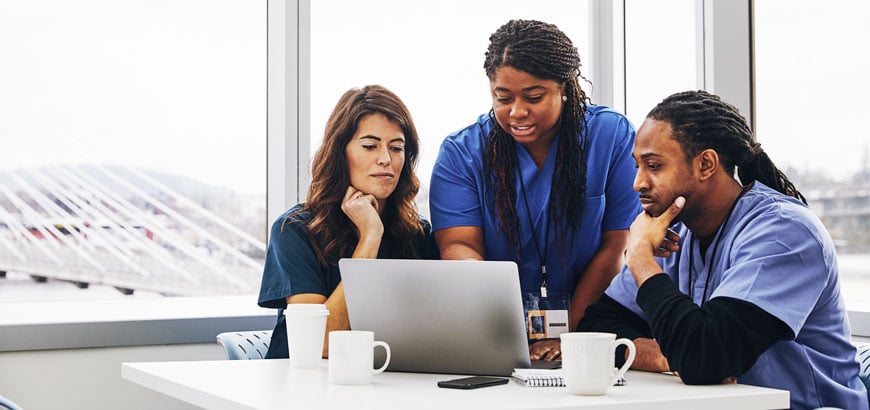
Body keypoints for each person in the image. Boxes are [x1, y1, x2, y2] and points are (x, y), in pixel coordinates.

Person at [577, 90, 868, 409]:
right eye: (637, 167)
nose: (638, 183)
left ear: (705, 164)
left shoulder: (782, 233)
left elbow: (706, 358)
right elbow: (598, 328)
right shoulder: (673, 233)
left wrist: (640, 258)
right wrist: (665, 355)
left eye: (654, 166)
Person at [429, 19, 640, 361]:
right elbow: (459, 246)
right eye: (503, 98)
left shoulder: (611, 136)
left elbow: (616, 246)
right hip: (494, 329)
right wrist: (502, 326)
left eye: (534, 97)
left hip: (594, 329)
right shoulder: (461, 153)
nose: (517, 112)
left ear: (565, 87)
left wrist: (571, 336)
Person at [258, 85, 439, 359]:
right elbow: (321, 344)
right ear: (339, 152)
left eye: (397, 148)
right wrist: (369, 238)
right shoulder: (294, 230)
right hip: (302, 390)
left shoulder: (418, 234)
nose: (385, 159)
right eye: (369, 146)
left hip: (386, 387)